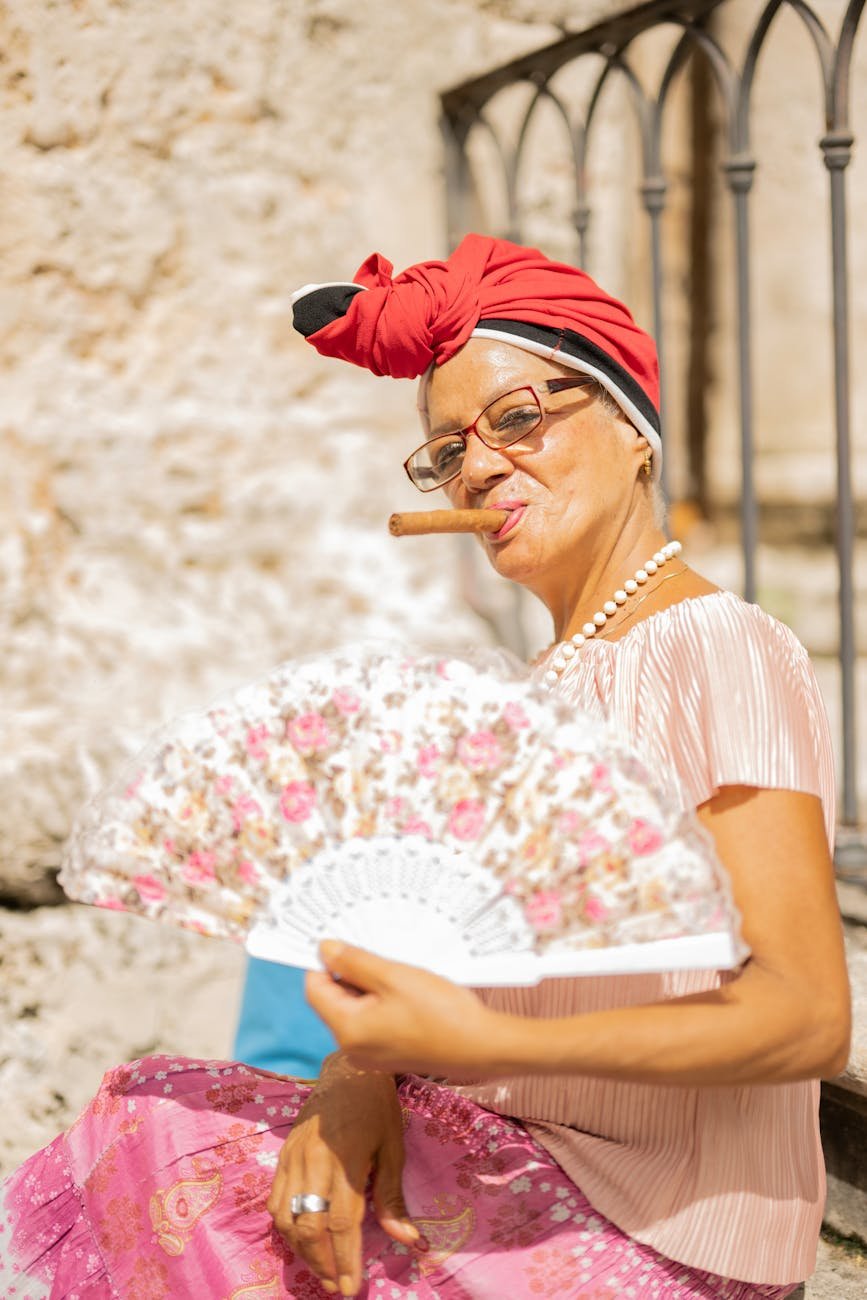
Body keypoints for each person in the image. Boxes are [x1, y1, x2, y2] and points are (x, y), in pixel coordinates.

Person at [0, 235, 850, 1300]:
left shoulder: (707, 644)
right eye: (448, 449)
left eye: (519, 419)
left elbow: (808, 1014)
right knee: (158, 1116)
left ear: (634, 430)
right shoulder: (552, 681)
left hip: (650, 1219)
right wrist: (359, 1075)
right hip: (517, 1151)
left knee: (164, 1142)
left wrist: (473, 1036)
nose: (482, 464)